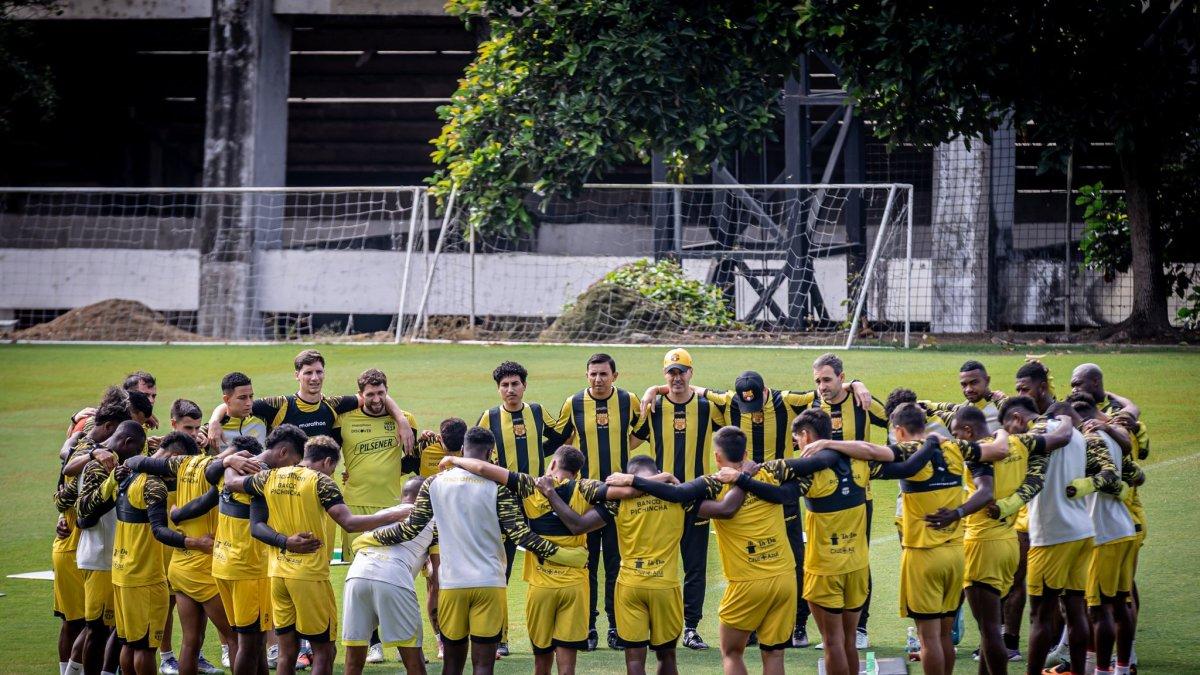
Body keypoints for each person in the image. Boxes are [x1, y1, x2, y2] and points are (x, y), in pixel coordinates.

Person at [356, 427, 588, 675]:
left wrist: (368, 538)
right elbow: (521, 535)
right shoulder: (499, 487)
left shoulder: (433, 484)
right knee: (483, 667)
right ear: (490, 453)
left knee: (452, 666)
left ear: (464, 450)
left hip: (452, 584)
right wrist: (566, 555)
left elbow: (410, 530)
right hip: (489, 583)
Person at [224, 435, 406, 675]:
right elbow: (349, 523)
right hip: (309, 576)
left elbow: (233, 483)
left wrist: (228, 461)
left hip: (277, 574)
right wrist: (395, 513)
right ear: (327, 461)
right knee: (324, 651)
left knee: (286, 652)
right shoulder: (321, 482)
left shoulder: (268, 477)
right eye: (333, 469)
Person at [543, 454, 723, 675]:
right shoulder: (679, 498)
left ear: (627, 477)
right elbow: (722, 509)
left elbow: (578, 525)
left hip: (630, 586)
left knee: (635, 661)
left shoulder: (619, 500)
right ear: (657, 473)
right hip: (665, 586)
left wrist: (551, 494)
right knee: (667, 657)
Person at [439, 445, 608, 675]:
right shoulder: (585, 488)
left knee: (541, 663)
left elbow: (481, 467)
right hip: (575, 587)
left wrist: (452, 459)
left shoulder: (530, 485)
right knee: (567, 667)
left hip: (541, 587)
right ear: (577, 473)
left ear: (553, 464)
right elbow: (619, 490)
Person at [932, 405, 1071, 673]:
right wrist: (1065, 417)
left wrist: (956, 513)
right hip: (1009, 542)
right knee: (990, 628)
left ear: (968, 430)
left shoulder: (978, 453)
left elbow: (985, 493)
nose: (957, 438)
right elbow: (1062, 437)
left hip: (982, 543)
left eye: (957, 433)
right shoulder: (1020, 442)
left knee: (990, 629)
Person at [988, 398, 1120, 675]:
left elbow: (1033, 482)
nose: (1011, 435)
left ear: (1016, 417)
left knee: (1040, 616)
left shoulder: (1039, 435)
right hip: (1082, 531)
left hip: (1051, 536)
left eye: (1008, 428)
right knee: (1075, 610)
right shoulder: (1075, 434)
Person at [122, 428, 244, 675]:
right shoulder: (217, 469)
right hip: (205, 567)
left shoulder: (183, 464)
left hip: (179, 567)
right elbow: (209, 500)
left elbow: (135, 461)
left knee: (191, 641)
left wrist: (178, 514)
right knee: (236, 639)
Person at [630, 348, 727, 650]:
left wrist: (652, 389)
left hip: (697, 498)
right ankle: (659, 623)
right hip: (664, 501)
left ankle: (691, 627)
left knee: (695, 567)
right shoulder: (654, 408)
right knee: (660, 563)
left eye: (681, 371)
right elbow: (631, 441)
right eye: (671, 373)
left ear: (691, 373)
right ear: (665, 375)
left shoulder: (706, 407)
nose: (676, 378)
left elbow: (729, 403)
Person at [552, 353, 648, 651]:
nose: (598, 379)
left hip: (620, 499)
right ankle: (589, 627)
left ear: (614, 376)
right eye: (593, 374)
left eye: (603, 374)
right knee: (588, 565)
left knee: (617, 564)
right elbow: (562, 440)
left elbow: (641, 431)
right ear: (586, 375)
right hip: (587, 498)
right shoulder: (574, 403)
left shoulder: (627, 400)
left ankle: (617, 627)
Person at [476, 361, 565, 656]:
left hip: (537, 501)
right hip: (502, 504)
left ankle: (555, 632)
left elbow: (560, 436)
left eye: (515, 384)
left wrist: (542, 457)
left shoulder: (537, 412)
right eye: (505, 385)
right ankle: (499, 637)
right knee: (502, 569)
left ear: (524, 386)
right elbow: (474, 453)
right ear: (498, 389)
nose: (510, 390)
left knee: (550, 563)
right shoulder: (488, 418)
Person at [209, 427, 309, 675]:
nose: (292, 468)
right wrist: (287, 541)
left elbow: (211, 473)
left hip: (224, 563)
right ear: (283, 451)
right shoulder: (261, 477)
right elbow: (257, 528)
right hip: (249, 568)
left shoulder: (236, 464)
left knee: (256, 641)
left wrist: (227, 458)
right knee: (250, 644)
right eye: (294, 462)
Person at [112, 426, 211, 675]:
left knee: (130, 644)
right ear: (172, 459)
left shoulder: (127, 475)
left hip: (122, 572)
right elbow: (158, 531)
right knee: (146, 648)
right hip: (145, 577)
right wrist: (195, 543)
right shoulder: (153, 485)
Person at [808, 352, 888, 649]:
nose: (822, 386)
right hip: (823, 500)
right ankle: (834, 630)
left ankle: (859, 629)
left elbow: (896, 420)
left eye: (827, 379)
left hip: (858, 498)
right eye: (817, 381)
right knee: (828, 562)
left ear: (842, 378)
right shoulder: (812, 406)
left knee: (857, 560)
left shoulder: (861, 401)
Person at [54, 393, 131, 675]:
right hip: (91, 553)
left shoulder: (104, 454)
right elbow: (69, 493)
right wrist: (66, 516)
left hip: (98, 552)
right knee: (87, 625)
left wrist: (63, 509)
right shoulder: (96, 456)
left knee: (98, 626)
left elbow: (63, 496)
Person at [1068, 393, 1142, 675]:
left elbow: (1110, 478)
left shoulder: (1087, 442)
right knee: (1121, 603)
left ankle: (1100, 671)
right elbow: (1137, 476)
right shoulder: (1113, 440)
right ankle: (1122, 668)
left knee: (1099, 611)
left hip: (1103, 534)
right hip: (1124, 528)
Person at [342, 476, 433, 675]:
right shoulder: (432, 520)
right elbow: (437, 569)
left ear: (403, 496)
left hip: (357, 576)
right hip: (394, 577)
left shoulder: (381, 514)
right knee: (413, 661)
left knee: (353, 660)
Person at [212, 372, 267, 451]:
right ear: (227, 400)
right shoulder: (213, 431)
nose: (249, 403)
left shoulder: (264, 419)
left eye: (251, 396)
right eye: (242, 398)